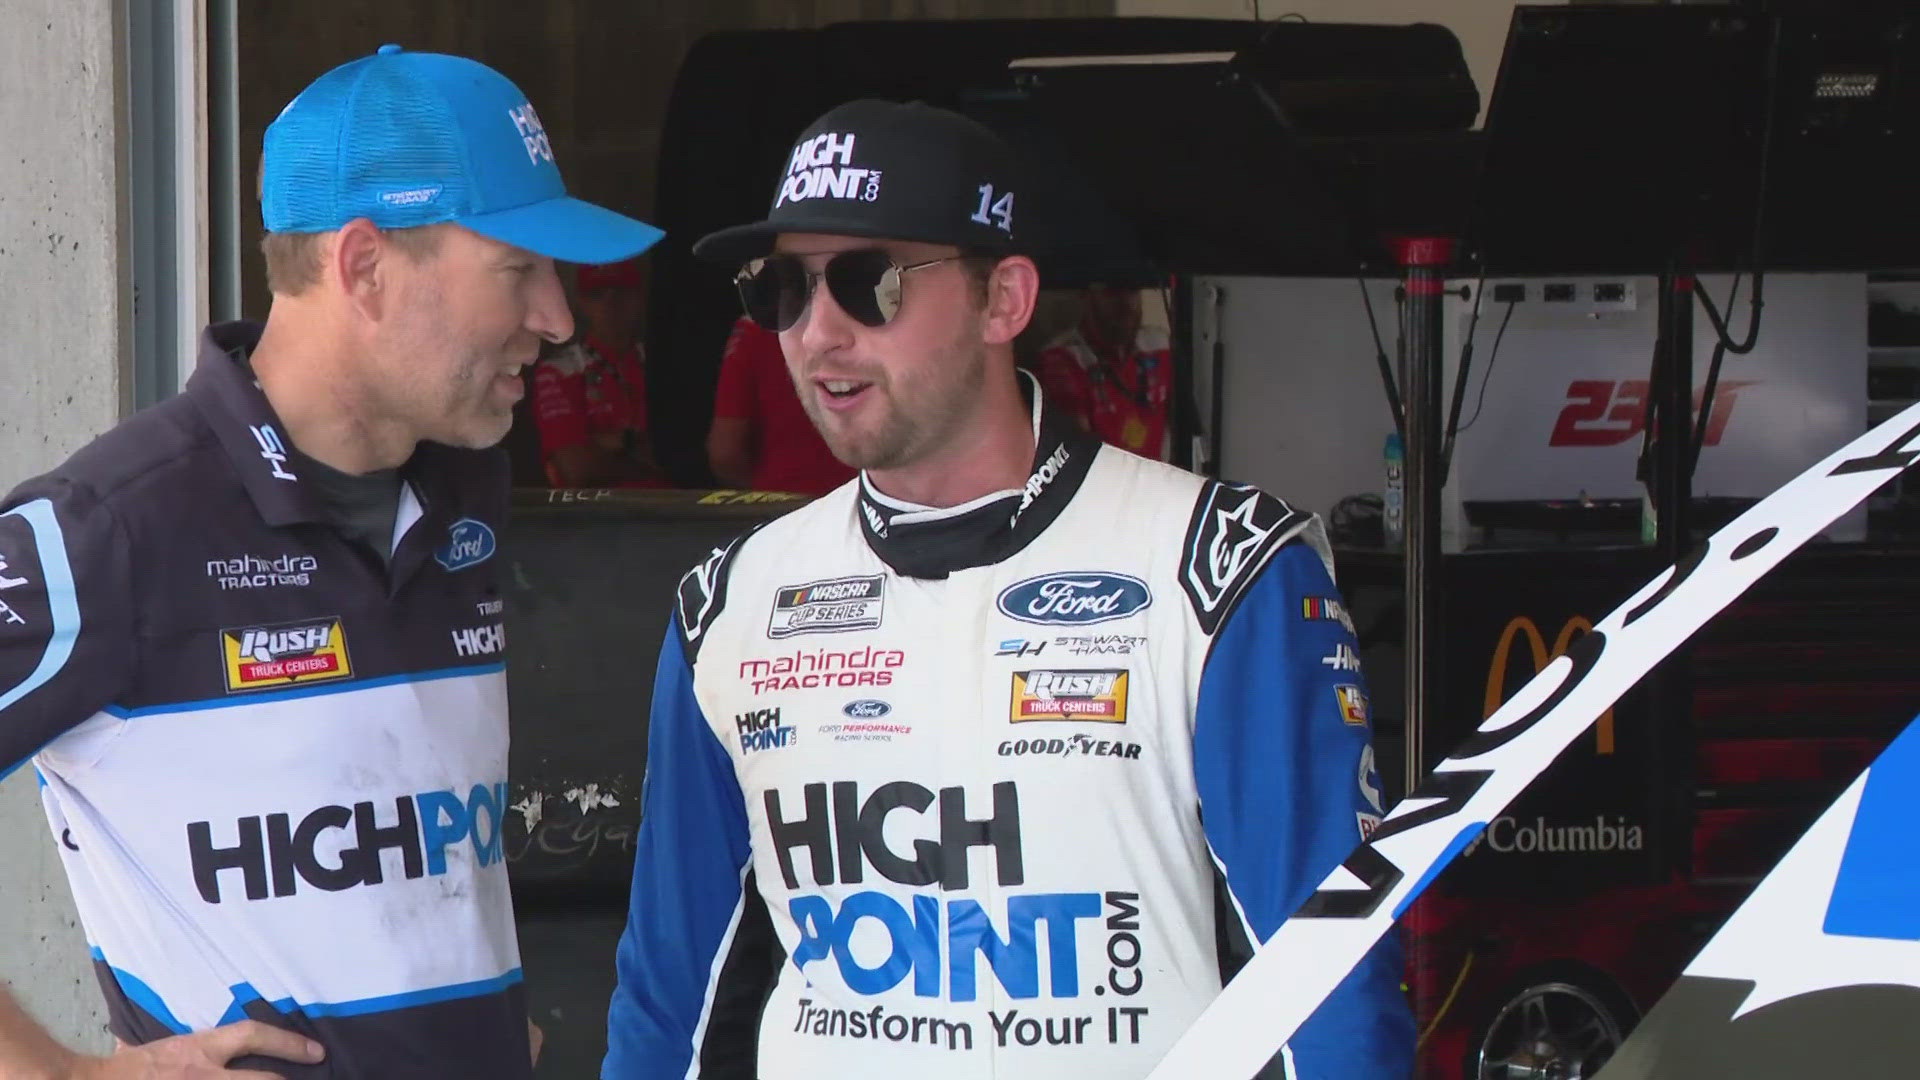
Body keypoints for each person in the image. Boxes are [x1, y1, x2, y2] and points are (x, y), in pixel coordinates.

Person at [601, 99, 1413, 1079]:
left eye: (869, 282)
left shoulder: (1219, 568)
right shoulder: (728, 607)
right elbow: (671, 1006)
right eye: (784, 288)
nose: (818, 334)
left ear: (1006, 301)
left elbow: (1329, 983)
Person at [0, 43, 661, 1079]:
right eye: (517, 270)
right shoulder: (117, 525)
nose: (558, 321)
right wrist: (55, 1073)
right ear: (363, 266)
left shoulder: (460, 484)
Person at [530, 258, 668, 487]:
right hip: (597, 516)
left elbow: (687, 456)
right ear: (580, 302)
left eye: (621, 291)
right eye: (597, 293)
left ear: (640, 297)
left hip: (672, 510)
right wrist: (636, 445)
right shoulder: (560, 370)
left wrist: (610, 444)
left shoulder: (665, 362)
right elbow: (577, 468)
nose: (610, 303)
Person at [705, 314, 857, 494]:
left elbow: (725, 452)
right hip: (865, 502)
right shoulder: (756, 330)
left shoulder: (757, 328)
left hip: (780, 500)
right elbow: (725, 452)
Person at [1033, 284, 1173, 461]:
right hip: (1103, 482)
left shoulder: (1160, 346)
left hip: (1157, 479)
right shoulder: (1063, 358)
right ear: (1086, 295)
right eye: (1112, 292)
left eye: (1132, 290)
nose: (1125, 303)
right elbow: (1078, 451)